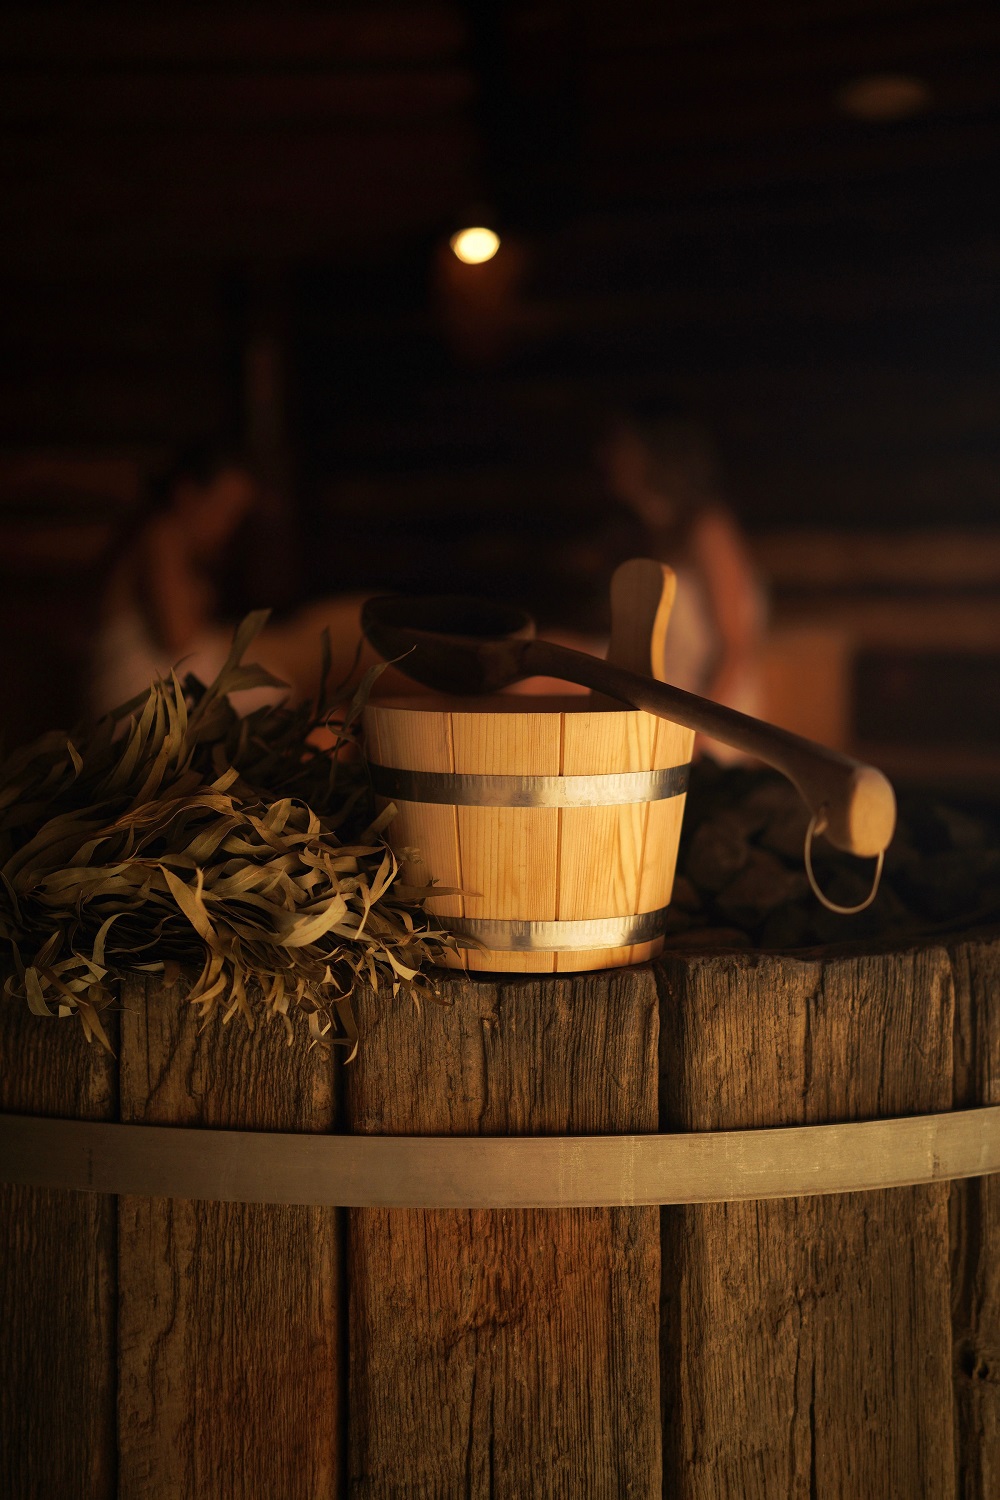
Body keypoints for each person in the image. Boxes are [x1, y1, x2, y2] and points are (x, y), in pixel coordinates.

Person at [598, 409, 767, 758]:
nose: (608, 455)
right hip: (664, 689)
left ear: (656, 454)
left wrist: (696, 737)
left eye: (623, 445)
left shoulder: (709, 530)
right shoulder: (657, 537)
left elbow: (737, 648)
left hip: (710, 708)